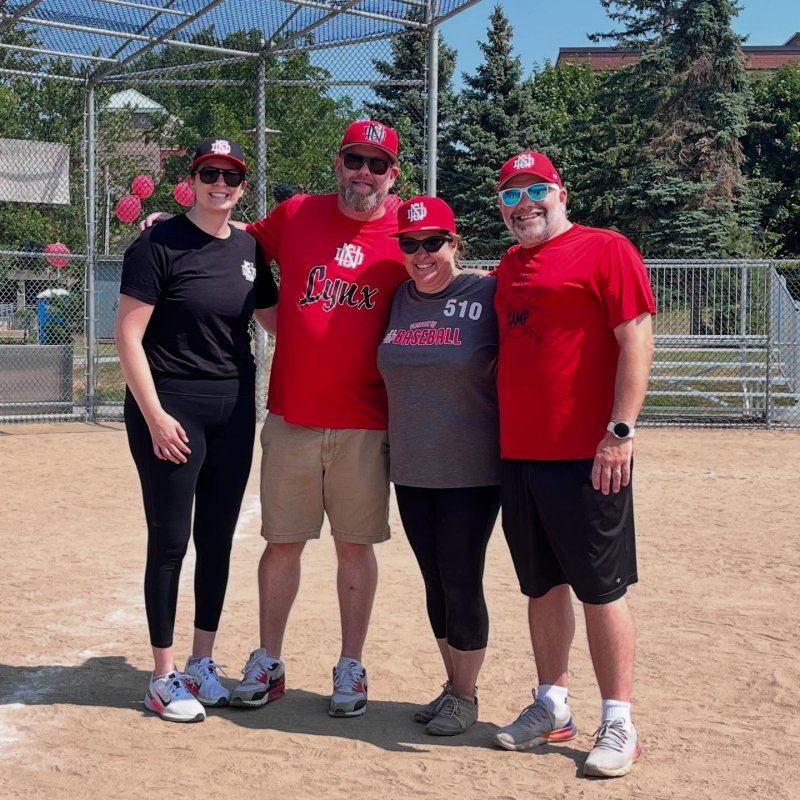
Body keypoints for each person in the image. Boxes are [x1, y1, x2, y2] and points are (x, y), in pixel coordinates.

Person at [490, 151, 656, 777]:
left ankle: (619, 720)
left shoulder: (606, 248)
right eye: (510, 194)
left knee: (601, 589)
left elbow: (636, 336)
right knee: (541, 586)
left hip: (589, 456)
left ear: (561, 193)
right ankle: (551, 705)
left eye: (536, 189)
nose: (524, 202)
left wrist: (618, 432)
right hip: (519, 454)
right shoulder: (508, 266)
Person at [116, 137, 278, 723]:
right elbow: (128, 336)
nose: (221, 184)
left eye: (231, 177)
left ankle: (201, 663)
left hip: (234, 410)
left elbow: (274, 319)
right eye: (210, 173)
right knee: (170, 541)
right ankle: (162, 677)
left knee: (217, 537)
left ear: (241, 186)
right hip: (171, 408)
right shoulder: (158, 242)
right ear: (194, 179)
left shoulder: (248, 247)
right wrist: (156, 416)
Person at [377, 196, 500, 736]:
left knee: (460, 574)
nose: (421, 254)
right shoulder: (399, 298)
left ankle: (467, 695)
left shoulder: (486, 291)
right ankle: (452, 686)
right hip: (410, 465)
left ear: (455, 242)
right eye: (409, 244)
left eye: (433, 242)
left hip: (472, 468)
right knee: (433, 580)